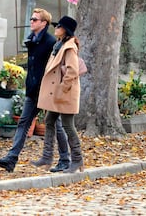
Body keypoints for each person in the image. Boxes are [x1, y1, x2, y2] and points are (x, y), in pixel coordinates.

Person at [0, 8, 70, 173]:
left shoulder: (50, 42)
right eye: (31, 19)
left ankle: (65, 160)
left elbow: (56, 67)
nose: (31, 21)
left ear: (43, 23)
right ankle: (11, 159)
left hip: (47, 90)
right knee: (23, 123)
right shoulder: (32, 40)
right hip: (33, 91)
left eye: (35, 19)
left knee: (56, 125)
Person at [36, 16, 84, 173]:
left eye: (59, 27)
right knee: (49, 120)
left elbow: (72, 71)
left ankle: (77, 160)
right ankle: (47, 156)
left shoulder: (69, 47)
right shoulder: (59, 45)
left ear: (66, 30)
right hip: (56, 93)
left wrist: (62, 89)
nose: (56, 29)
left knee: (68, 126)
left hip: (65, 93)